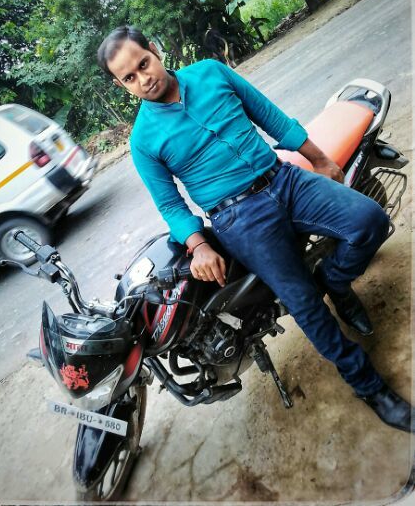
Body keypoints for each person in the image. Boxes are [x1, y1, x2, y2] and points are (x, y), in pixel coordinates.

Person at [97, 25, 413, 433]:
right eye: (129, 78)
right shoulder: (143, 140)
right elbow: (170, 204)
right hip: (239, 218)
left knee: (370, 221)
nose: (143, 79)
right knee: (304, 304)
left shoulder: (210, 72)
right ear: (121, 85)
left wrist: (319, 159)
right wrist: (198, 245)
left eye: (143, 64)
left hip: (285, 179)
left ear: (154, 50)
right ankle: (369, 386)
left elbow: (269, 115)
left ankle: (334, 280)